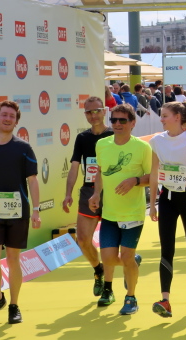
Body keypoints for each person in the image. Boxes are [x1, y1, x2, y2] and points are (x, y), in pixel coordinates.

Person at [0, 101, 40, 324]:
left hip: (18, 213)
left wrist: (36, 210)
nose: (7, 119)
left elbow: (33, 180)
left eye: (12, 116)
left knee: (13, 259)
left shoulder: (24, 148)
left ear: (16, 121)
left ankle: (14, 305)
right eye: (4, 115)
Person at [89, 104, 152, 314]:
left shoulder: (142, 147)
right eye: (114, 120)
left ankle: (131, 298)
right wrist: (96, 194)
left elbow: (152, 177)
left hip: (133, 213)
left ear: (132, 123)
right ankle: (132, 262)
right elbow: (100, 172)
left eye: (122, 120)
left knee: (125, 256)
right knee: (107, 258)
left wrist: (135, 180)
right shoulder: (102, 144)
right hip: (109, 213)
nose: (117, 124)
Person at [148, 101, 186, 318]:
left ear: (177, 117)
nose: (161, 119)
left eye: (164, 115)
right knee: (166, 248)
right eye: (161, 115)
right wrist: (153, 204)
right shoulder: (156, 141)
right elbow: (153, 173)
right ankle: (165, 299)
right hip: (167, 197)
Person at [62, 96, 113, 299]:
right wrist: (68, 193)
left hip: (112, 193)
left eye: (97, 110)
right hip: (88, 192)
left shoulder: (114, 134)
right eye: (89, 112)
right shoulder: (82, 138)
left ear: (104, 111)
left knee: (111, 244)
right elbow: (74, 167)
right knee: (83, 240)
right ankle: (98, 270)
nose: (93, 115)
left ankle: (114, 284)